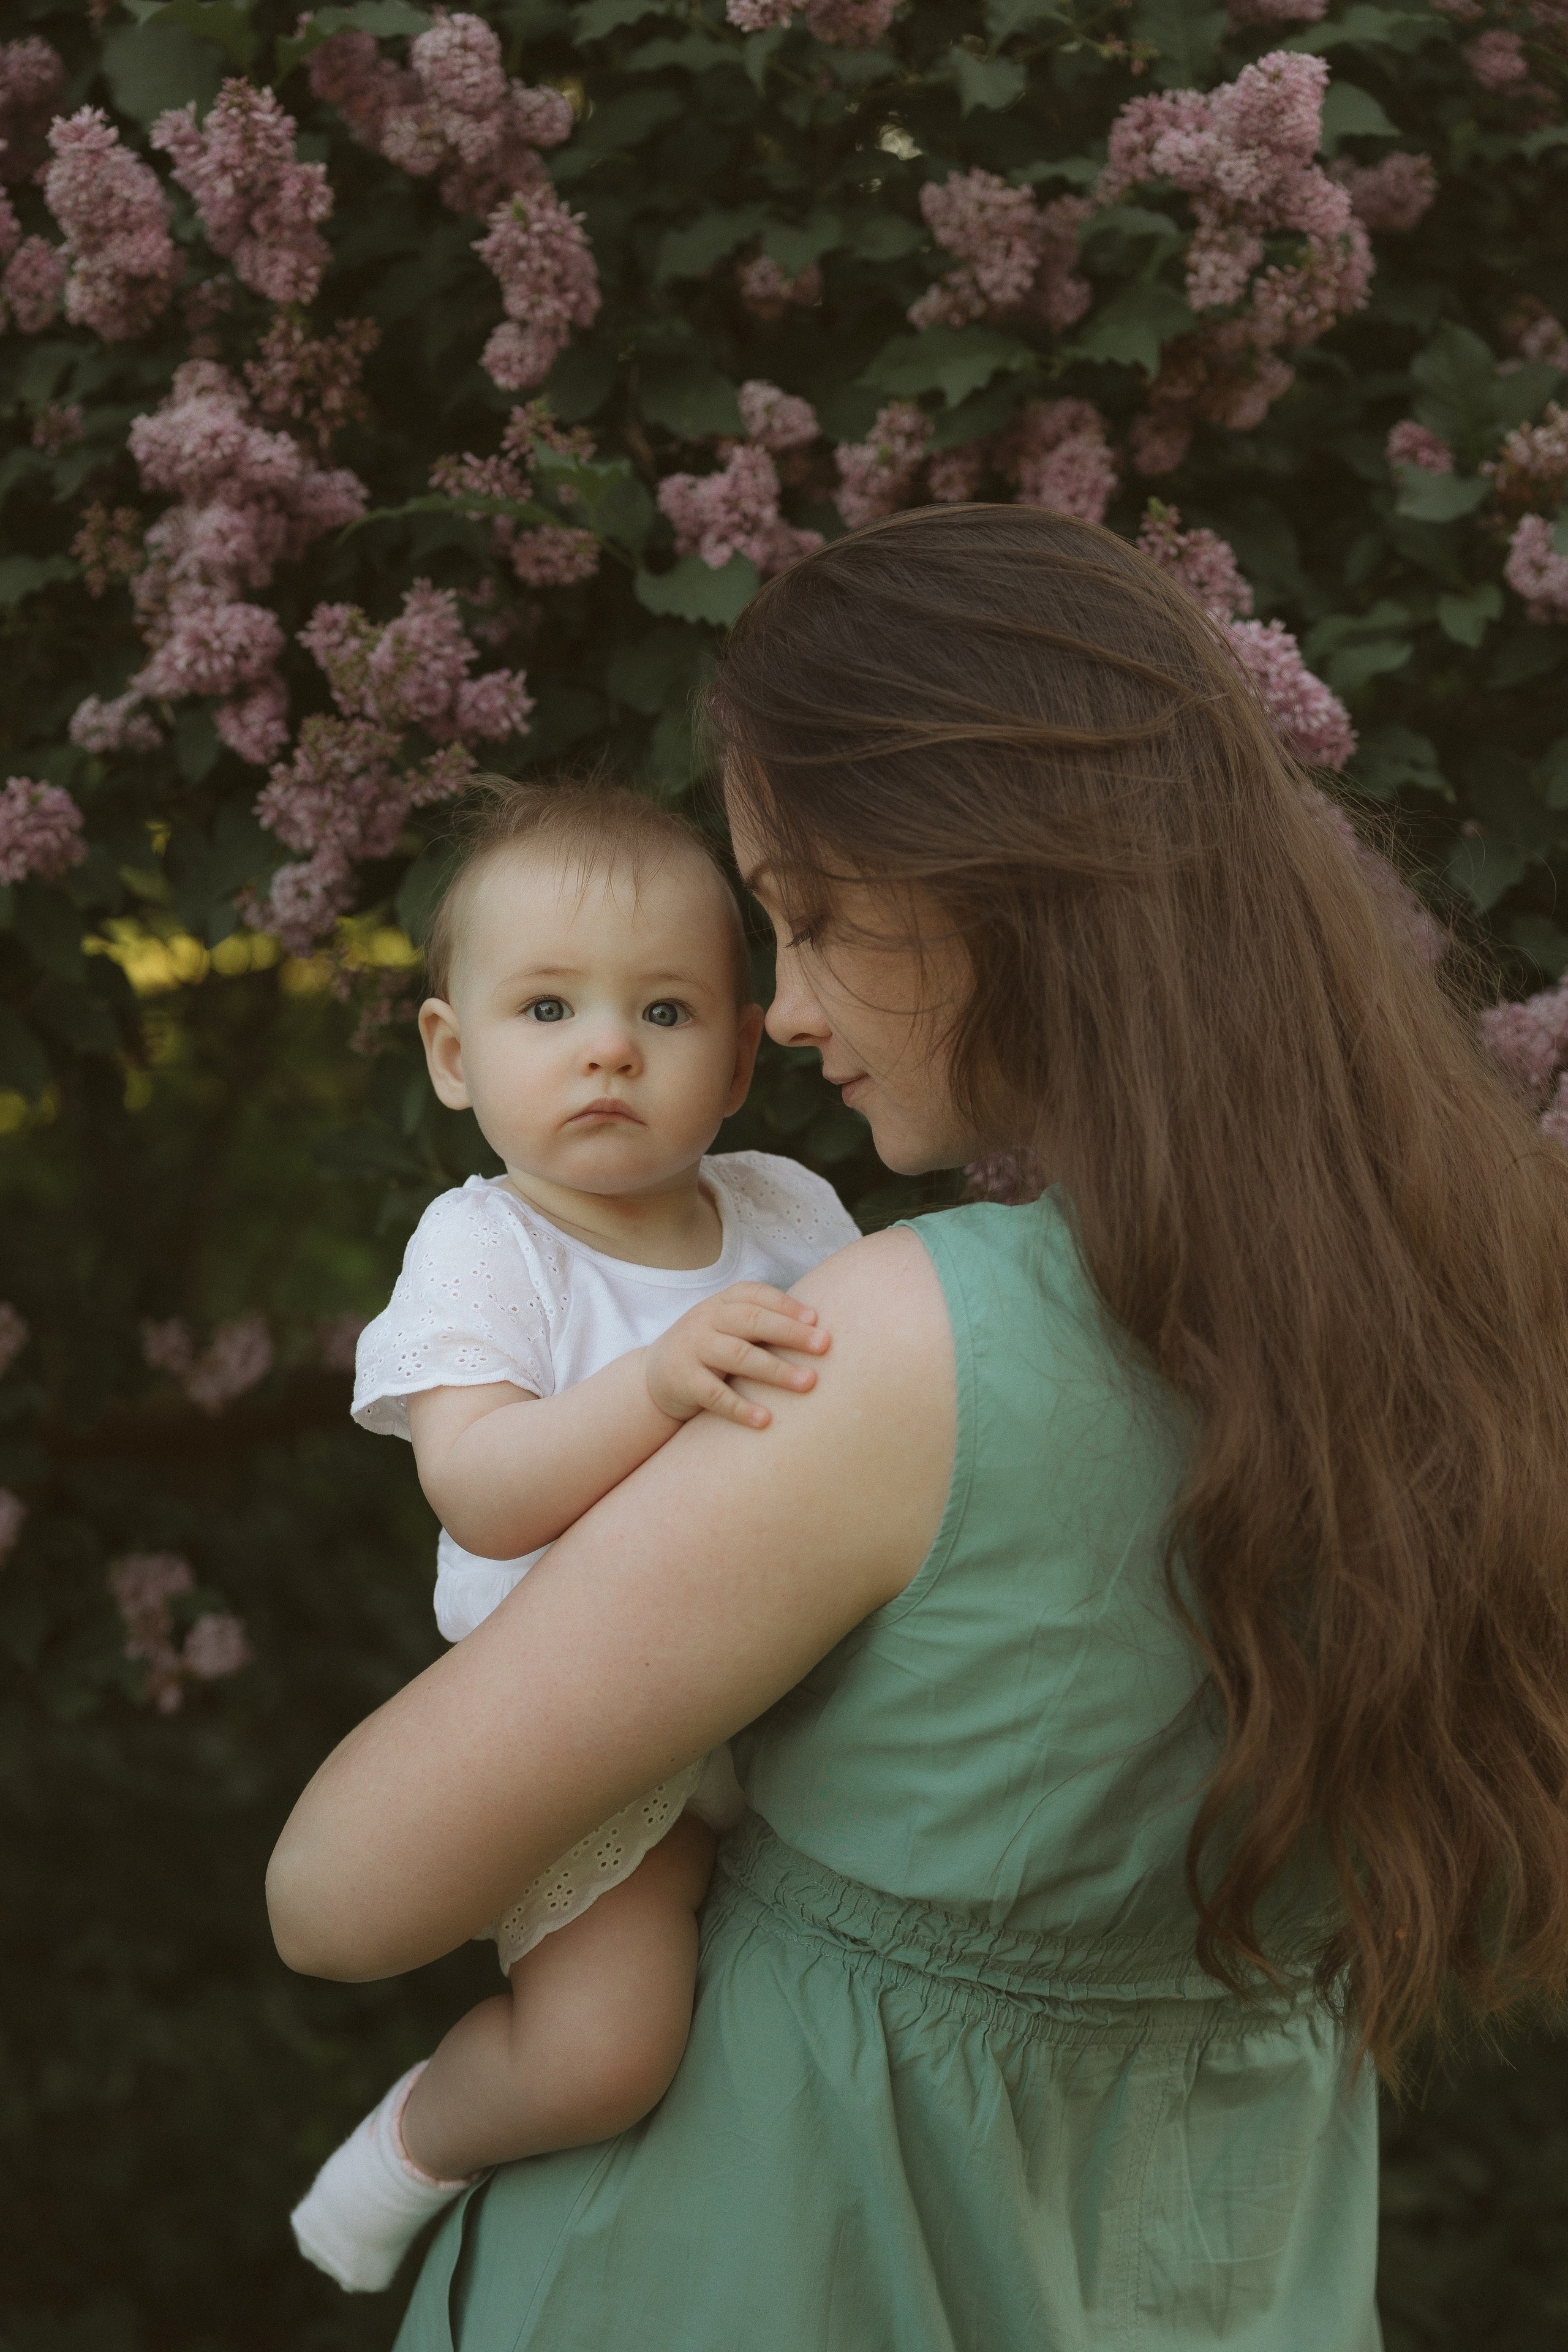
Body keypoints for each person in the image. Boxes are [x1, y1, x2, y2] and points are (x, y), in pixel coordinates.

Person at [269, 505, 1568, 2351]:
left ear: (991, 879)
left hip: (759, 2274)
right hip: (1219, 2283)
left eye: (805, 917)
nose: (784, 1011)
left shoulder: (900, 1348)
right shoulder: (1487, 1304)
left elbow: (338, 1891)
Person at [288, 780, 859, 2292]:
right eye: (548, 1009)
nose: (608, 1047)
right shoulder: (488, 1245)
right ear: (452, 1054)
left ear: (740, 1057)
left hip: (798, 1707)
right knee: (606, 2053)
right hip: (595, 1745)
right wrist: (654, 1386)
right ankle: (417, 2139)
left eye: (664, 1013)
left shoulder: (787, 1210)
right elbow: (479, 1487)